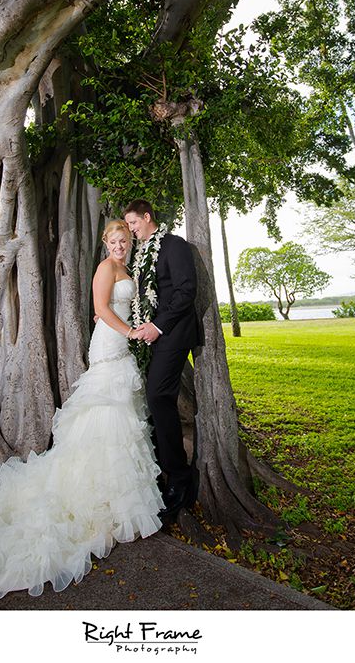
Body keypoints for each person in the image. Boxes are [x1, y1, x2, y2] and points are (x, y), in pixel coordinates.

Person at [0, 220, 163, 598]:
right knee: (107, 409)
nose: (120, 246)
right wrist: (129, 332)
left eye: (124, 240)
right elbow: (100, 307)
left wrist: (135, 325)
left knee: (122, 415)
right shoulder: (106, 268)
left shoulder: (127, 268)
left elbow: (122, 304)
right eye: (114, 241)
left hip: (123, 343)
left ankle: (118, 492)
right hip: (110, 344)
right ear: (105, 243)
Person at [123, 199, 201, 522]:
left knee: (158, 395)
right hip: (153, 336)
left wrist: (157, 326)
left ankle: (180, 479)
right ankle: (158, 472)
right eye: (127, 226)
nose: (131, 230)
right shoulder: (142, 254)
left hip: (173, 332)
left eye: (133, 223)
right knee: (152, 398)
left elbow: (186, 290)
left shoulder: (174, 246)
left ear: (147, 216)